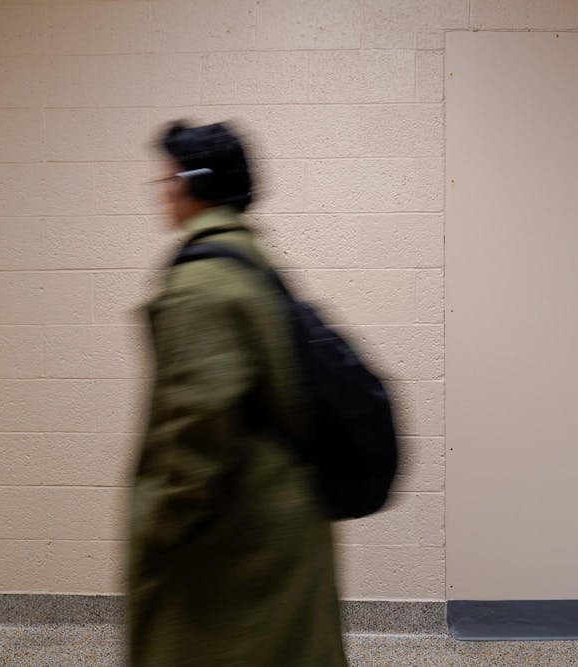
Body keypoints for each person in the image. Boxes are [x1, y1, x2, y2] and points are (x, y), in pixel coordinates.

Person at [127, 121, 348, 666]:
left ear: (190, 183)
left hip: (240, 538)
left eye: (166, 179)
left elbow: (197, 430)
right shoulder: (252, 260)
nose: (163, 192)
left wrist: (156, 527)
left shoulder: (200, 286)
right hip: (281, 516)